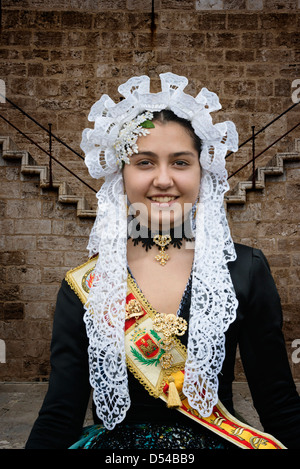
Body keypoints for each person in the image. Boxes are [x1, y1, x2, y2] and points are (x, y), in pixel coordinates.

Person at [25, 73, 300, 450]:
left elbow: (278, 403)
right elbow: (59, 415)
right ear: (121, 175)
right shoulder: (87, 285)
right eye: (144, 162)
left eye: (181, 162)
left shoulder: (244, 268)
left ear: (203, 173)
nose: (164, 179)